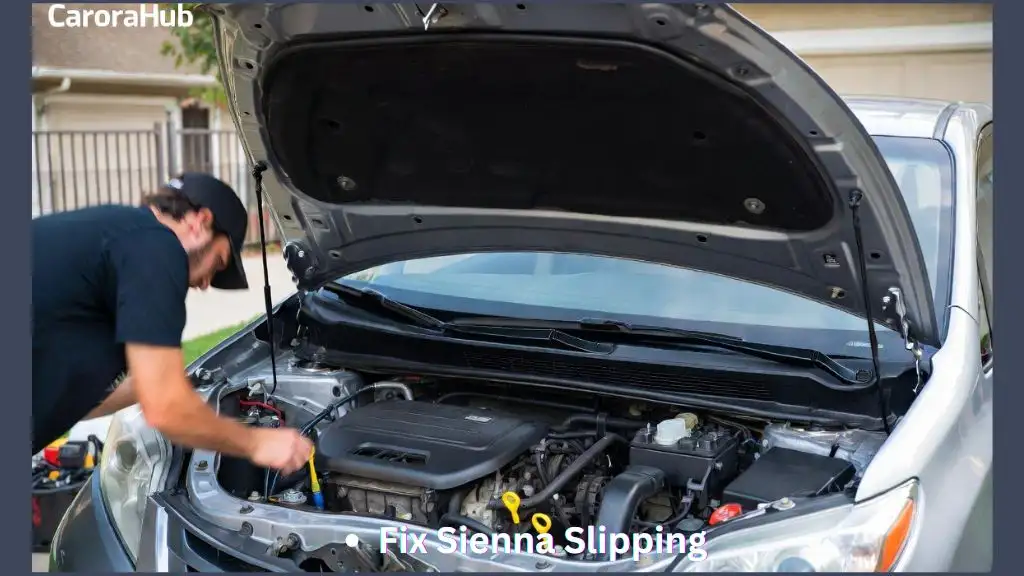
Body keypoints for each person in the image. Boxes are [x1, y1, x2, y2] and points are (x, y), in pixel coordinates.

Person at [32, 173, 312, 475]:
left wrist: (145, 385)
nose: (206, 284)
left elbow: (69, 397)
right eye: (218, 264)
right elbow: (166, 410)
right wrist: (258, 443)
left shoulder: (116, 235)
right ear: (200, 221)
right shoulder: (155, 246)